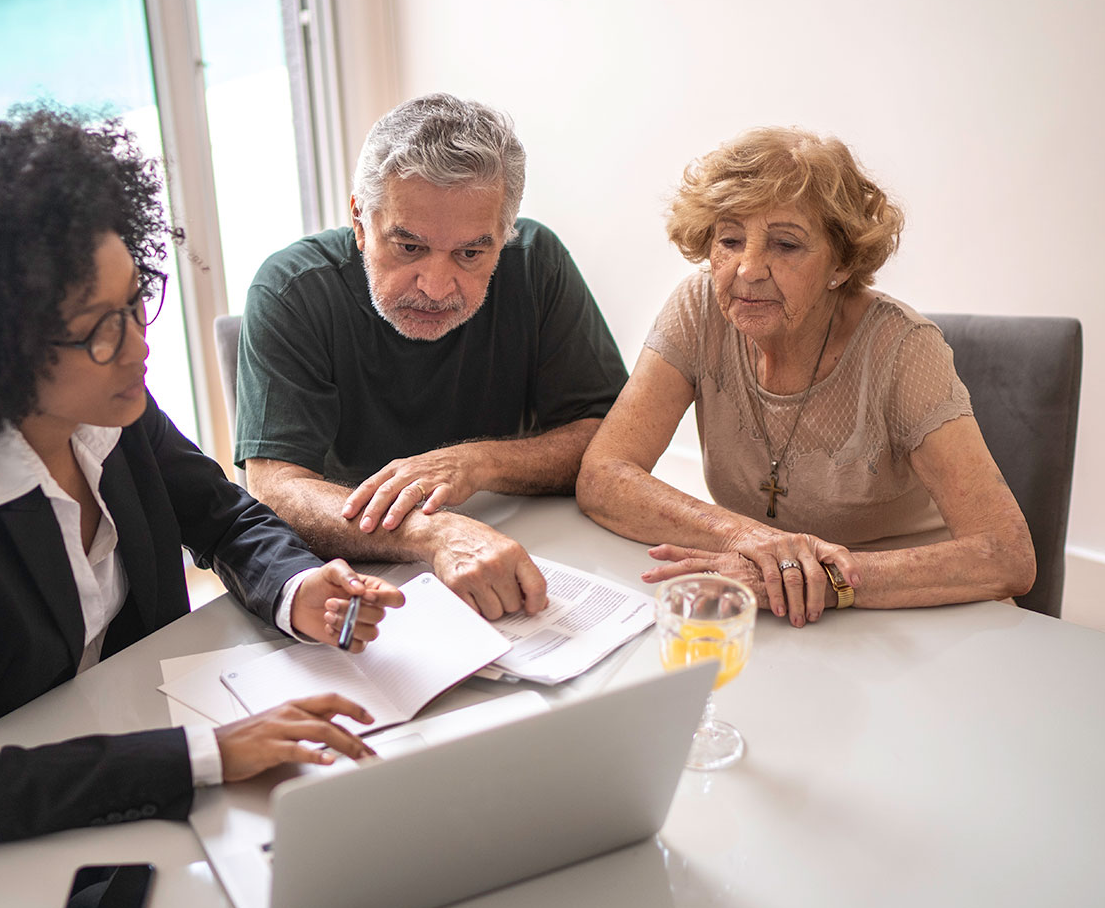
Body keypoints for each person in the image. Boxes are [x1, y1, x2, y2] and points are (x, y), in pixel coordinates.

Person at [0, 106, 402, 851]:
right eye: (100, 327)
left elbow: (224, 517)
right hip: (29, 825)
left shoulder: (112, 407)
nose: (139, 346)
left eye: (135, 300)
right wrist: (215, 753)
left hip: (140, 746)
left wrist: (297, 588)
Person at [576, 127, 1035, 627]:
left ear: (839, 263)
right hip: (786, 613)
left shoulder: (904, 348)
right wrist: (748, 540)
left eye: (786, 245)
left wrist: (819, 576)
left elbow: (1007, 555)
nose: (748, 268)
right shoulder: (699, 308)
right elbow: (604, 475)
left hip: (924, 614)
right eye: (729, 240)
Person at [235, 93, 629, 619]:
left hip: (521, 545)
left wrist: (477, 462)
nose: (437, 286)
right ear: (360, 220)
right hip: (355, 579)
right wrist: (431, 533)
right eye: (409, 247)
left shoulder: (536, 263)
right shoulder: (293, 289)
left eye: (471, 253)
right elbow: (275, 488)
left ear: (504, 233)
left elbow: (608, 436)